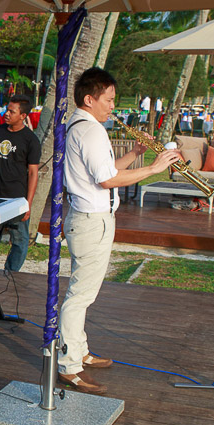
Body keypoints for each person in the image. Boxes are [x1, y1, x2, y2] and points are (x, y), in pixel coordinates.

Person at [58, 68, 181, 395]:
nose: (113, 106)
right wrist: (154, 168)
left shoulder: (80, 125)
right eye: (109, 99)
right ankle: (69, 365)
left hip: (87, 218)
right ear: (90, 99)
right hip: (91, 220)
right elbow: (107, 180)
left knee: (82, 292)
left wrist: (135, 154)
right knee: (80, 296)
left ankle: (79, 350)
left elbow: (107, 170)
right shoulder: (92, 131)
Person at [0, 94, 41, 272]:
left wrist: (28, 203)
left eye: (12, 111)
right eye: (7, 109)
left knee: (20, 240)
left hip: (16, 198)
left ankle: (11, 272)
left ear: (23, 116)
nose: (7, 114)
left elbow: (34, 173)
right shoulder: (0, 130)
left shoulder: (31, 140)